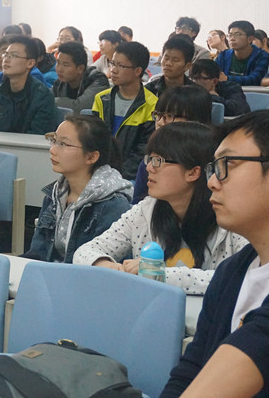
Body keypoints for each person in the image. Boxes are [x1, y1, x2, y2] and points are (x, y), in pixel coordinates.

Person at [161, 111, 269, 397]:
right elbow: (190, 370)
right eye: (214, 168)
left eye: (227, 165)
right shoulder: (232, 272)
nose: (212, 182)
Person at [74, 122, 247, 295]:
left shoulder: (233, 220)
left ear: (193, 173)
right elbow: (84, 252)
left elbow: (241, 277)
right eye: (149, 159)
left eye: (158, 161)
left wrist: (160, 275)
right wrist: (106, 266)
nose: (149, 168)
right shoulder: (145, 211)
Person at [25, 115, 133, 263]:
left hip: (83, 276)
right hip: (51, 273)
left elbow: (106, 267)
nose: (52, 150)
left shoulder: (113, 205)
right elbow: (37, 253)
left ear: (91, 157)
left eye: (63, 144)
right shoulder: (55, 193)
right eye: (54, 141)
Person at [131, 84, 213, 204]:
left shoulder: (216, 165)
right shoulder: (150, 162)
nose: (160, 123)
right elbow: (137, 204)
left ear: (196, 121)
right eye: (158, 115)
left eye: (169, 116)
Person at [92, 41, 157, 180]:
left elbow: (143, 151)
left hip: (131, 175)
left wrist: (116, 176)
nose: (113, 70)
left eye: (121, 66)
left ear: (137, 71)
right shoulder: (101, 99)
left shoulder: (152, 105)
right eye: (112, 63)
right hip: (99, 170)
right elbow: (93, 139)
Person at [0, 36, 60, 135]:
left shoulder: (42, 96)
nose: (6, 60)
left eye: (14, 55)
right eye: (6, 55)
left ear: (30, 63)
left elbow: (38, 136)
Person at [52, 42, 109, 113]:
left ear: (80, 68)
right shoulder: (60, 83)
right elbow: (45, 97)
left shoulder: (98, 80)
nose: (59, 69)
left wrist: (50, 101)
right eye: (58, 63)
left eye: (65, 65)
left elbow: (80, 107)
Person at [215, 20, 269, 86]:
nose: (232, 39)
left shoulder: (262, 56)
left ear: (250, 39)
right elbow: (213, 74)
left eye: (237, 35)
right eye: (230, 35)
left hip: (252, 92)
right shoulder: (223, 55)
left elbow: (256, 79)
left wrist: (227, 78)